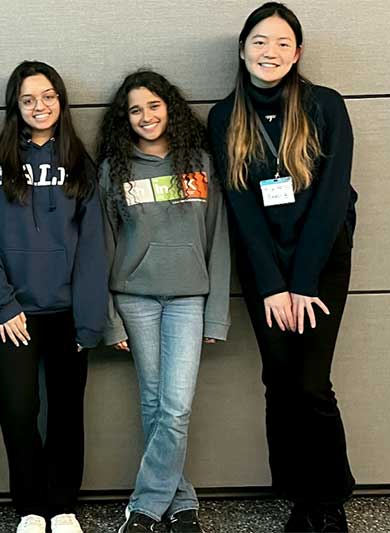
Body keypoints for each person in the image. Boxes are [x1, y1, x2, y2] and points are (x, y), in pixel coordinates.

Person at [207, 3, 358, 532]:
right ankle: (299, 494)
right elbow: (242, 208)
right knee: (279, 381)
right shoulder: (225, 116)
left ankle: (330, 500)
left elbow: (332, 199)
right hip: (263, 266)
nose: (270, 52)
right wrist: (273, 285)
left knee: (312, 384)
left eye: (282, 43)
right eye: (260, 42)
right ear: (243, 49)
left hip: (321, 261)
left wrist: (302, 283)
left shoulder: (325, 106)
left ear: (297, 53)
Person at [0, 60, 107, 533]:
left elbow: (92, 247)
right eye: (28, 99)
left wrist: (90, 320)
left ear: (61, 101)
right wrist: (3, 304)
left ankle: (63, 504)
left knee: (68, 412)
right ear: (16, 106)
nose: (39, 106)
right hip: (15, 314)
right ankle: (30, 507)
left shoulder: (79, 161)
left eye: (48, 96)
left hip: (68, 311)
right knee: (18, 410)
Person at [98, 70, 231, 533]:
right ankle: (182, 503)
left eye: (154, 106)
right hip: (133, 299)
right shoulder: (114, 171)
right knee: (155, 405)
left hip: (188, 299)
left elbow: (218, 240)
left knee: (175, 406)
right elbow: (103, 248)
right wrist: (110, 320)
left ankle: (145, 508)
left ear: (170, 108)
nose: (146, 116)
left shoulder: (200, 163)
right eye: (135, 110)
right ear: (125, 119)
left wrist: (216, 314)